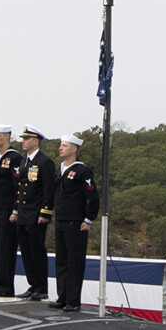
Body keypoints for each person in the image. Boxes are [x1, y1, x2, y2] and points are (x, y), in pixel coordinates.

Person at [53, 132, 97, 311]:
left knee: (74, 261)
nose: (60, 148)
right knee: (61, 261)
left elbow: (92, 197)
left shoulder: (81, 170)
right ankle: (61, 297)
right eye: (60, 145)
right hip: (61, 219)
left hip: (75, 221)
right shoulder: (60, 169)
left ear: (74, 149)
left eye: (64, 145)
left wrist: (88, 219)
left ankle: (72, 300)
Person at [12, 127, 55, 302]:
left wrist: (45, 211)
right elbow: (20, 187)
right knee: (26, 251)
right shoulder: (24, 161)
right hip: (23, 213)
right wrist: (16, 210)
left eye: (27, 139)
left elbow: (48, 189)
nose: (23, 141)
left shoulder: (44, 162)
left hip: (36, 213)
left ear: (35, 141)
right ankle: (33, 284)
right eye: (23, 138)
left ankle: (41, 287)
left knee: (37, 250)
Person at [0, 126, 23, 298]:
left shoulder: (14, 157)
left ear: (7, 137)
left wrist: (16, 208)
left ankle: (5, 286)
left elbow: (17, 185)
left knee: (7, 248)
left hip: (8, 208)